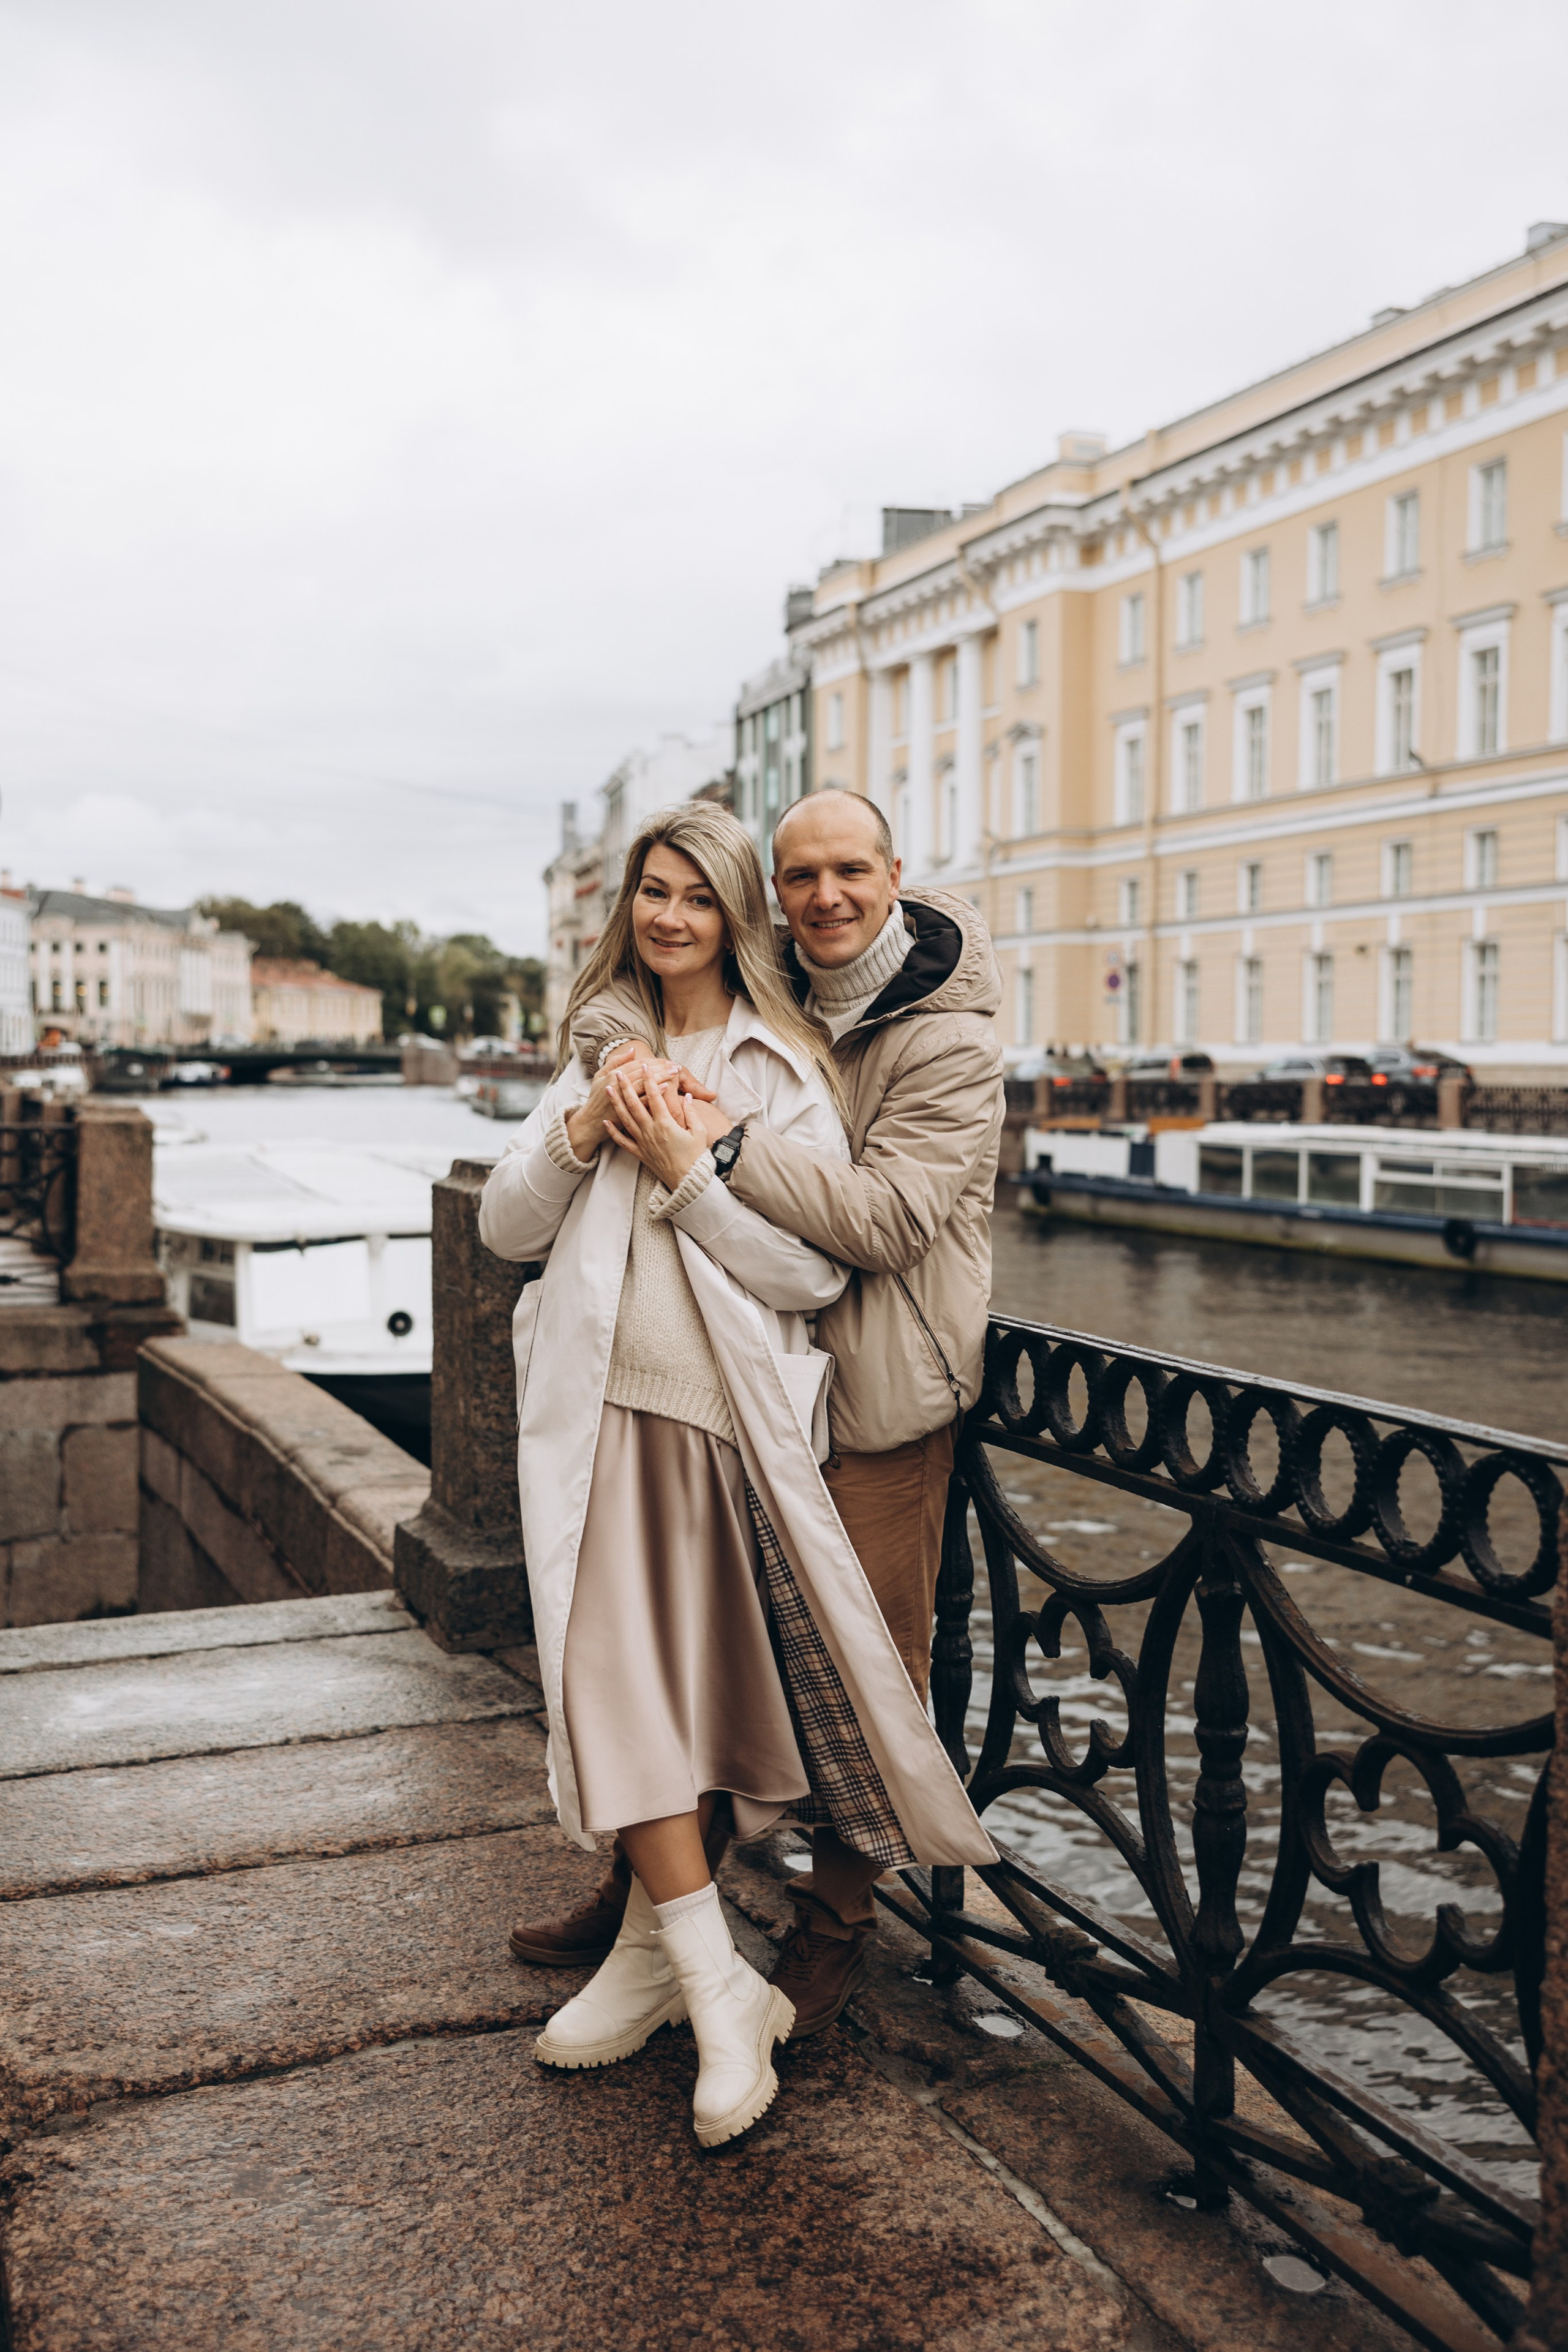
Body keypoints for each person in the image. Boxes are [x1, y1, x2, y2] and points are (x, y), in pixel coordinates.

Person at [479, 802, 992, 2150]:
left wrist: (693, 1170)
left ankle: (710, 1956)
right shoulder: (599, 1050)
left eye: (695, 897)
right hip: (594, 1414)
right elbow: (500, 1224)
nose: (668, 916)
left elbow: (822, 1266)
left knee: (715, 1697)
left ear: (732, 917)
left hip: (723, 1426)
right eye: (651, 892)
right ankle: (693, 1971)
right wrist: (589, 1123)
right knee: (617, 1688)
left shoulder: (779, 1064)